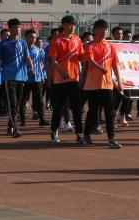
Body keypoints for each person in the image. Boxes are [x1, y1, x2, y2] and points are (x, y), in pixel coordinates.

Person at [80, 19, 123, 148]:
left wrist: (119, 82)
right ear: (95, 30)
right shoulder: (89, 45)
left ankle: (111, 139)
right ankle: (86, 136)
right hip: (93, 85)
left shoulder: (110, 46)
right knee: (93, 111)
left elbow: (115, 65)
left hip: (108, 84)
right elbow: (90, 61)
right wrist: (101, 69)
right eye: (101, 28)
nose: (104, 31)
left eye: (106, 29)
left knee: (109, 112)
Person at [46, 15, 83, 144]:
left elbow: (80, 58)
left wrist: (81, 74)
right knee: (58, 108)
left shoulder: (77, 39)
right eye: (69, 24)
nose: (72, 27)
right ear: (64, 25)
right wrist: (61, 73)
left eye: (74, 25)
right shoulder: (57, 40)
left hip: (74, 79)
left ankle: (79, 134)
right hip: (60, 80)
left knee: (77, 108)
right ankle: (54, 131)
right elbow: (53, 60)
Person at [0, 19, 27, 137]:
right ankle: (15, 129)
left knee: (17, 103)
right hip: (8, 76)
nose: (18, 29)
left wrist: (32, 68)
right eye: (15, 27)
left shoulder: (23, 43)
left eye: (19, 27)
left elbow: (27, 57)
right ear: (10, 29)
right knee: (12, 103)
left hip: (21, 76)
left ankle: (10, 125)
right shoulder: (3, 43)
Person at [24, 28, 46, 126]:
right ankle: (22, 117)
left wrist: (42, 75)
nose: (33, 39)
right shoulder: (22, 48)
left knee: (39, 99)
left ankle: (42, 118)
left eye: (34, 37)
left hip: (36, 78)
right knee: (23, 99)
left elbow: (40, 63)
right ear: (26, 37)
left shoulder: (38, 50)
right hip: (25, 78)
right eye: (31, 37)